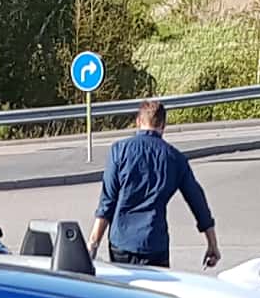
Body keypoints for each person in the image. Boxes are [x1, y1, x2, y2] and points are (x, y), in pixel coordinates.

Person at [92, 99, 220, 271]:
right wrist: (212, 243)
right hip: (154, 244)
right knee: (155, 297)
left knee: (123, 296)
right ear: (163, 125)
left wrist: (93, 242)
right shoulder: (175, 158)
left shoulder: (119, 151)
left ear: (138, 122)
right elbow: (197, 201)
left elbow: (107, 200)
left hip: (121, 242)